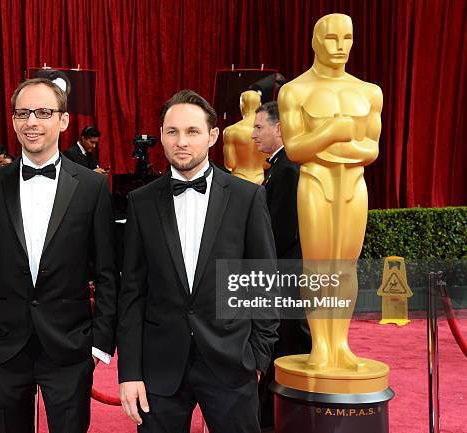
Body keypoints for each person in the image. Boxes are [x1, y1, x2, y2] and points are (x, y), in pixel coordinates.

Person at [0, 78, 117, 433]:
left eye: (43, 112)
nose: (31, 122)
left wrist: (100, 343)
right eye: (23, 113)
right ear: (14, 120)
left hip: (71, 348)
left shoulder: (92, 187)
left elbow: (108, 271)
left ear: (63, 121)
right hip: (1, 348)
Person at [118, 89, 279, 432]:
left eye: (192, 131)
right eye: (172, 132)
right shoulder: (141, 202)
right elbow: (131, 292)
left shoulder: (246, 197)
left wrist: (257, 357)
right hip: (159, 369)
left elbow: (263, 280)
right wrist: (129, 372)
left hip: (231, 363)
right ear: (161, 135)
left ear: (212, 135)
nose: (182, 141)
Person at [278, 13, 382, 370]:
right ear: (314, 41)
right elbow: (295, 149)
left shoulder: (369, 92)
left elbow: (372, 150)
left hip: (354, 183)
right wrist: (333, 134)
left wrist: (326, 144)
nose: (340, 47)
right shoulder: (295, 91)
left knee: (346, 265)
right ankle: (320, 343)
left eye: (347, 38)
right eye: (331, 39)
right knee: (319, 265)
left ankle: (341, 342)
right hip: (316, 182)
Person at [251, 101, 311, 429]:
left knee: (289, 342)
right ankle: (270, 413)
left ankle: (285, 414)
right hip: (284, 273)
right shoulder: (280, 165)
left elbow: (282, 229)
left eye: (259, 127)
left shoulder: (287, 168)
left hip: (288, 274)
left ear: (279, 128)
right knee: (281, 344)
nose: (252, 134)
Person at [222, 90, 268, 184]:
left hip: (238, 179)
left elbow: (230, 164)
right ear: (260, 105)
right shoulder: (268, 131)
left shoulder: (230, 131)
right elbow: (267, 164)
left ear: (241, 106)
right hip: (260, 179)